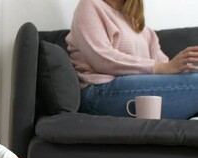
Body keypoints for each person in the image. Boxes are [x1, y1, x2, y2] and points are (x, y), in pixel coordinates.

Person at [66, 0, 198, 119]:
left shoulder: (139, 25)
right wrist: (160, 67)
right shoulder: (90, 5)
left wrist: (183, 67)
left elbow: (164, 65)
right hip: (99, 92)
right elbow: (101, 59)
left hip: (123, 88)